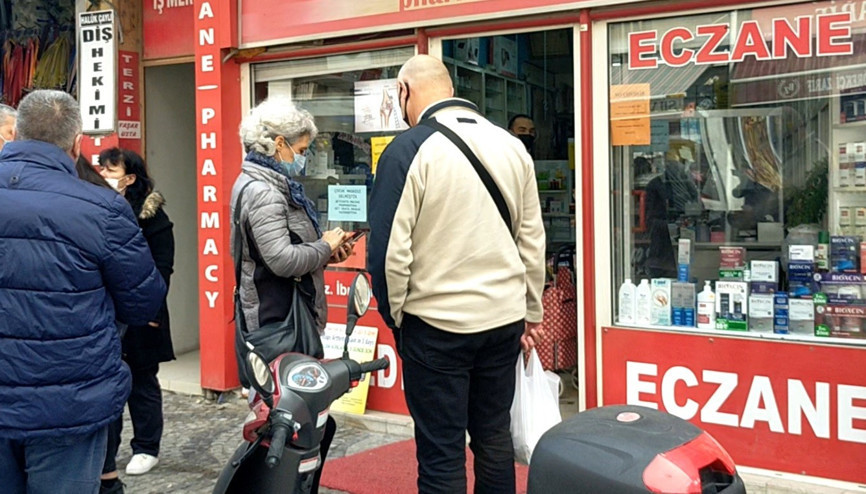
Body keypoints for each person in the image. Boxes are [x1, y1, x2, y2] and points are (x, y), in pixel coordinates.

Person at [368, 55, 546, 494]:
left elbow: (389, 253)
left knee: (441, 451)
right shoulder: (511, 146)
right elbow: (531, 239)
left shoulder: (407, 151)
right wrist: (531, 311)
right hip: (503, 322)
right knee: (492, 438)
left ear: (404, 91)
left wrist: (396, 318)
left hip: (436, 326)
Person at [0, 90, 166, 493]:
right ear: (77, 144)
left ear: (16, 134)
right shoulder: (102, 207)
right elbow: (143, 300)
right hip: (71, 398)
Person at [231, 96, 352, 493]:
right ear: (277, 143)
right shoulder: (263, 191)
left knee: (295, 419)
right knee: (284, 423)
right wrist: (323, 246)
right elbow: (281, 260)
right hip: (275, 321)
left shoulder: (270, 183)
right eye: (300, 149)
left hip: (284, 314)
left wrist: (326, 251)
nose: (303, 157)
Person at [96, 148, 175, 487]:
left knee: (142, 381)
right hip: (106, 312)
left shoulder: (152, 216)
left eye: (111, 170)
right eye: (101, 169)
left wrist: (152, 310)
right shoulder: (95, 207)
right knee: (107, 383)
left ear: (129, 178)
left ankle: (146, 446)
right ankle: (106, 452)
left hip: (144, 311)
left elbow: (163, 268)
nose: (103, 175)